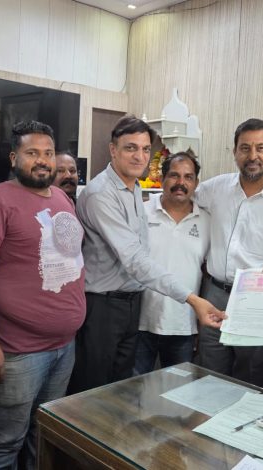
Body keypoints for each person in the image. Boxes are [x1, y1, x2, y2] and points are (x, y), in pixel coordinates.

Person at [68, 115, 224, 394]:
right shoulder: (101, 194)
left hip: (130, 306)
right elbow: (135, 259)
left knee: (121, 391)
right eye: (130, 148)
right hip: (103, 307)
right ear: (113, 150)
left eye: (144, 149)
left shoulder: (134, 188)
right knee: (93, 393)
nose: (139, 156)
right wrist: (192, 299)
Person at [0, 121, 85, 470]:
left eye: (48, 153)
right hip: (16, 351)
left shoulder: (61, 198)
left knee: (42, 435)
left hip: (63, 347)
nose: (43, 160)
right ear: (15, 158)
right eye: (32, 153)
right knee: (2, 443)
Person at [195, 118, 263, 387]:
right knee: (210, 374)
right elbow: (181, 201)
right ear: (234, 152)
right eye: (245, 148)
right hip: (214, 293)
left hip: (257, 299)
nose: (253, 156)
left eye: (261, 148)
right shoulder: (214, 189)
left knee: (250, 380)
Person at [134, 151, 210, 375]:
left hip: (183, 326)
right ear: (162, 179)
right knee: (134, 388)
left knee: (177, 390)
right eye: (174, 175)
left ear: (196, 183)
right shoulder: (142, 213)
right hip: (141, 322)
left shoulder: (207, 221)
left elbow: (207, 272)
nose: (181, 183)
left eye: (188, 177)